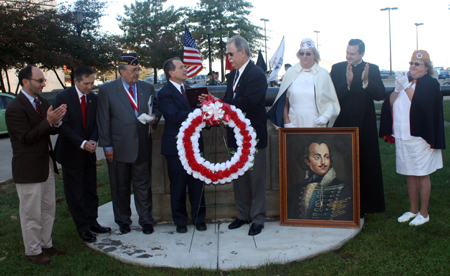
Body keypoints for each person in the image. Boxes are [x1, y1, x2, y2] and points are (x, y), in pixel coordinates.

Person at [200, 35, 268, 236]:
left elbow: (247, 102)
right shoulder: (233, 76)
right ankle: (243, 214)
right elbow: (231, 101)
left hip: (253, 136)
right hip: (235, 136)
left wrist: (218, 102)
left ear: (242, 52)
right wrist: (214, 104)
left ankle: (258, 218)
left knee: (256, 179)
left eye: (230, 53)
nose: (228, 57)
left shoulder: (257, 74)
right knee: (239, 177)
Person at [5, 65, 67, 265]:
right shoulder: (15, 107)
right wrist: (47, 122)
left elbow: (47, 130)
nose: (43, 84)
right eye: (39, 80)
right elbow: (25, 138)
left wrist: (55, 122)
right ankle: (33, 250)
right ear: (25, 82)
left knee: (48, 208)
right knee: (31, 212)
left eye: (43, 80)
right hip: (28, 168)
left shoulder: (40, 101)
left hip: (45, 164)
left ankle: (45, 244)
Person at [97, 53, 161, 235]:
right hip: (118, 148)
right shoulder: (107, 90)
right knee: (120, 187)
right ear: (121, 71)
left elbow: (155, 108)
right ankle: (123, 220)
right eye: (133, 70)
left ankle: (146, 220)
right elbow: (103, 119)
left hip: (142, 146)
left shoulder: (147, 87)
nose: (137, 73)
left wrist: (154, 117)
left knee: (143, 186)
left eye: (138, 69)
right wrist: (107, 146)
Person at [380, 50, 445, 226]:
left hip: (420, 137)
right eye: (411, 63)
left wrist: (407, 87)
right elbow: (389, 105)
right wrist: (398, 89)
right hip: (403, 135)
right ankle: (413, 210)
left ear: (426, 67)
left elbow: (421, 106)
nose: (412, 67)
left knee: (422, 174)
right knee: (409, 173)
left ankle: (424, 213)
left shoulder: (430, 84)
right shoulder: (406, 83)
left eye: (417, 64)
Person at [54, 65, 111, 243]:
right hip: (71, 153)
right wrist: (82, 143)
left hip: (89, 153)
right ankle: (82, 227)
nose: (90, 87)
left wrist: (93, 141)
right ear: (76, 81)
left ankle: (92, 221)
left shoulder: (93, 98)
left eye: (92, 83)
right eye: (86, 83)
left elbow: (95, 123)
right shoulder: (63, 97)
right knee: (75, 192)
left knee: (90, 189)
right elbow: (63, 126)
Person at [330, 39, 386, 215]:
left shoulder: (372, 69)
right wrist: (346, 84)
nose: (348, 56)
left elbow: (380, 95)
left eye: (352, 53)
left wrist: (367, 82)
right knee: (343, 163)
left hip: (365, 125)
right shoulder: (338, 68)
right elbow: (331, 96)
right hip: (343, 124)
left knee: (365, 162)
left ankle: (366, 204)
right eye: (347, 52)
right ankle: (342, 203)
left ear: (362, 54)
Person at [158, 57, 207, 234]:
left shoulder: (191, 91)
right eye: (181, 67)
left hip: (195, 145)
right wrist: (201, 112)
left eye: (185, 67)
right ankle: (180, 221)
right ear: (171, 72)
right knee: (178, 185)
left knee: (197, 184)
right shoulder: (164, 93)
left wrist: (208, 112)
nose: (185, 69)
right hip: (175, 146)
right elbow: (175, 116)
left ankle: (199, 219)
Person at [268, 38, 340, 128]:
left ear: (314, 55)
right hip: (294, 122)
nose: (304, 56)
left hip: (316, 122)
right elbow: (283, 100)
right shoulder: (290, 72)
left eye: (308, 53)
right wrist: (287, 122)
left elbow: (330, 101)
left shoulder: (323, 74)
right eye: (302, 53)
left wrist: (326, 116)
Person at [288, 142, 353, 220]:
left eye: (326, 157)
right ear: (307, 161)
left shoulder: (345, 189)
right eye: (317, 157)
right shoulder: (295, 189)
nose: (323, 162)